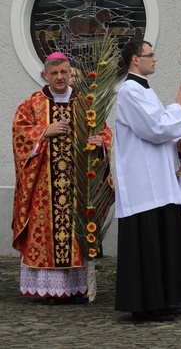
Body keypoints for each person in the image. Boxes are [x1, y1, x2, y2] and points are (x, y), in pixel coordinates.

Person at [12, 52, 111, 302]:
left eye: (64, 72)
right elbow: (19, 135)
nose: (59, 77)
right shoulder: (32, 104)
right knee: (48, 235)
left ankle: (77, 288)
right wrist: (44, 131)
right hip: (45, 189)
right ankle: (50, 289)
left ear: (70, 73)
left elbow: (105, 131)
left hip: (79, 185)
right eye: (54, 73)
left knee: (76, 234)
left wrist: (101, 142)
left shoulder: (86, 103)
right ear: (45, 75)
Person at [114, 40, 181, 322]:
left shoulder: (145, 90)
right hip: (141, 185)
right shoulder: (129, 92)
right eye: (150, 55)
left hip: (158, 181)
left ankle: (161, 300)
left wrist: (176, 144)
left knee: (161, 243)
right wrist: (179, 107)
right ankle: (145, 305)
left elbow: (160, 129)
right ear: (135, 59)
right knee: (147, 245)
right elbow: (154, 128)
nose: (155, 59)